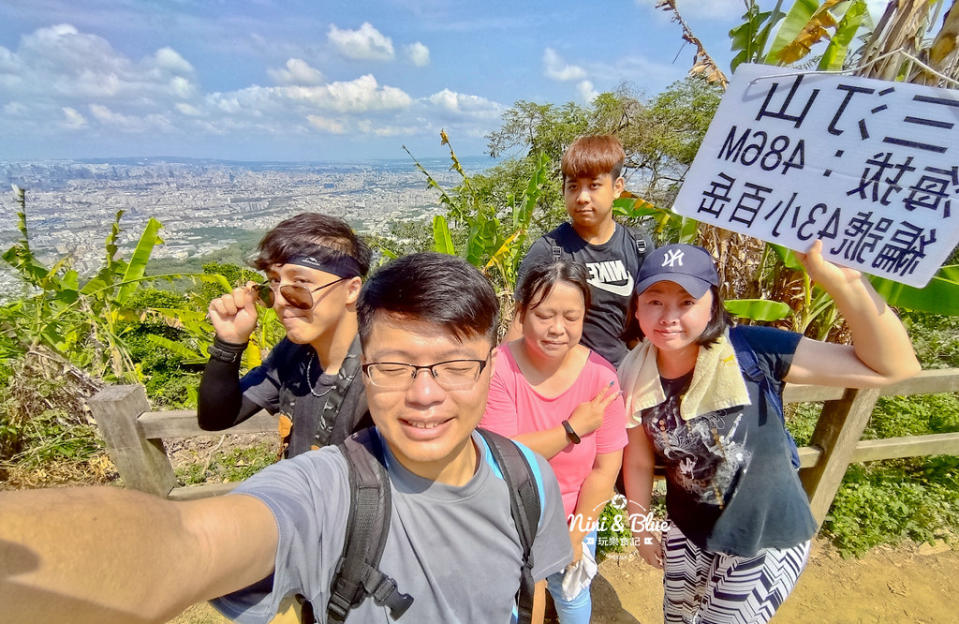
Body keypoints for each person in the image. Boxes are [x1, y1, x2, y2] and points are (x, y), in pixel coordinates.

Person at [0, 252, 573, 624]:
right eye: (393, 366)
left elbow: (529, 594)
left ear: (491, 366)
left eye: (453, 365)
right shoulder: (328, 490)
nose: (424, 395)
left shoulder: (527, 476)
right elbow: (183, 544)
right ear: (365, 364)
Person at [619, 242, 921, 623]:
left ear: (712, 303)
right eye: (655, 301)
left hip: (765, 537)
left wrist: (847, 285)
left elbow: (896, 367)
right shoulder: (634, 370)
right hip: (689, 532)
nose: (669, 317)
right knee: (676, 619)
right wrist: (642, 528)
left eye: (686, 302)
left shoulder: (752, 350)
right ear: (636, 307)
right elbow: (639, 459)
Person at [482, 260, 627, 623]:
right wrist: (570, 429)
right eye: (544, 315)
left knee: (571, 593)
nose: (557, 329)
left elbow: (605, 467)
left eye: (570, 317)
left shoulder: (601, 379)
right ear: (521, 313)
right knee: (516, 601)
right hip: (509, 515)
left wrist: (577, 535)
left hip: (574, 512)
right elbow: (503, 457)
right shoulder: (499, 369)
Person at [198, 212, 372, 456]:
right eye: (273, 283)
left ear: (351, 289)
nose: (280, 301)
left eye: (299, 284)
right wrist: (229, 343)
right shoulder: (294, 355)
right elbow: (215, 418)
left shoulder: (382, 372)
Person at [506, 135, 653, 368]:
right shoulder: (549, 251)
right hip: (566, 381)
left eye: (594, 186)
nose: (582, 197)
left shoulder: (638, 245)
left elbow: (647, 322)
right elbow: (519, 325)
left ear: (617, 188)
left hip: (626, 377)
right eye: (573, 187)